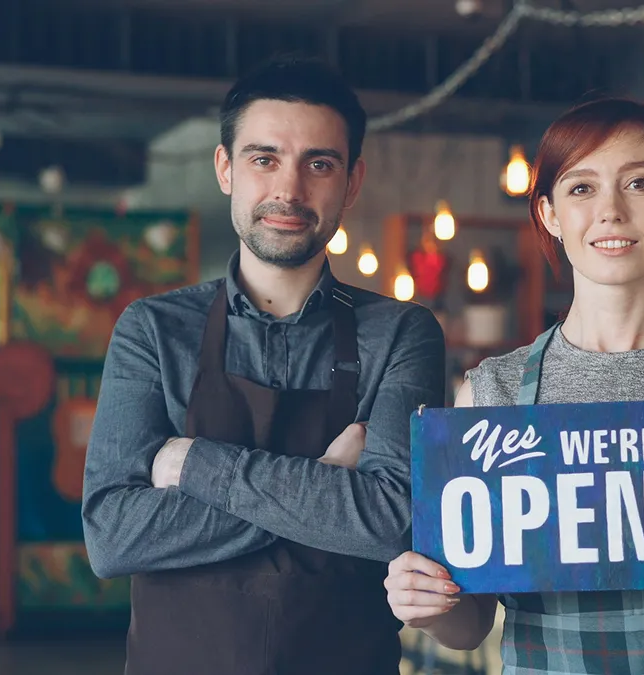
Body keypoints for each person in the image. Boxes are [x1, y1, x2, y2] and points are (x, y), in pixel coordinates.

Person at [384, 97, 644, 674]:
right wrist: (426, 605)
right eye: (581, 188)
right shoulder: (490, 394)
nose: (611, 211)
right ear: (550, 214)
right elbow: (471, 623)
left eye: (639, 184)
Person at [81, 55, 446, 675]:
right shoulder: (152, 330)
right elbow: (113, 536)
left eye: (319, 164)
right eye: (263, 158)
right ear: (226, 169)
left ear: (351, 183)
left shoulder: (401, 332)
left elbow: (392, 521)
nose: (289, 189)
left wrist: (198, 463)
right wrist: (325, 480)